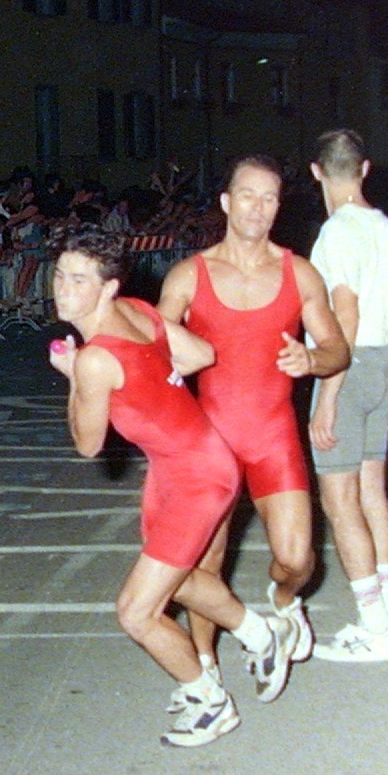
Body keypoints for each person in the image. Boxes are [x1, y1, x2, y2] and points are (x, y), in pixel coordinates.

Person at [50, 232, 277, 746]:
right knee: (180, 580)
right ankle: (262, 635)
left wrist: (74, 377)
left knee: (136, 611)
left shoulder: (93, 359)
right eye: (60, 275)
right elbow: (198, 354)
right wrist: (152, 381)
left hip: (196, 478)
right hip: (184, 467)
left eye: (79, 280)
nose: (63, 288)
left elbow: (88, 445)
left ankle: (210, 702)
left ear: (108, 287)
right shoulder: (136, 310)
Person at [158, 156, 348, 669]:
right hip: (210, 440)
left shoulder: (299, 273)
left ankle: (284, 605)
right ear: (226, 202)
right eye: (247, 195)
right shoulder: (188, 275)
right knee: (207, 561)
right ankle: (205, 665)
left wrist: (311, 359)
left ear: (278, 207)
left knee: (297, 559)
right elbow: (153, 352)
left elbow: (337, 350)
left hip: (272, 436)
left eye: (268, 198)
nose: (257, 207)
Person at [305, 130, 388, 664]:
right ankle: (382, 617)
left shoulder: (335, 234)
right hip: (384, 362)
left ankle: (376, 630)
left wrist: (329, 395)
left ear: (316, 172)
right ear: (364, 169)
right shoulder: (385, 228)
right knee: (373, 493)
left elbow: (344, 314)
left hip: (349, 366)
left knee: (339, 501)